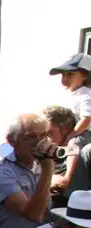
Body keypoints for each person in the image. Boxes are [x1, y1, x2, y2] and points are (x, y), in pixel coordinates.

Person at [50, 54, 91, 199]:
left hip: (83, 133)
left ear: (84, 76)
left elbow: (86, 118)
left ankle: (67, 178)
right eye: (63, 75)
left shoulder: (86, 95)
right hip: (72, 131)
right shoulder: (70, 94)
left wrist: (70, 135)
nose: (65, 78)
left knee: (73, 145)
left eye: (70, 74)